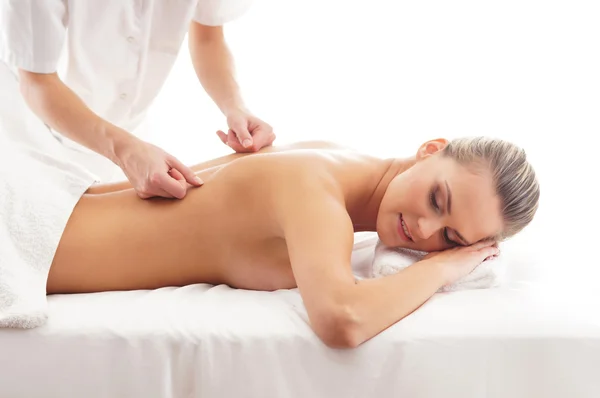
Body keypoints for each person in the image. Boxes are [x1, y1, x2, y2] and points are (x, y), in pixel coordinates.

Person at [46, 136, 540, 348]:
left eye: (452, 238)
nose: (428, 232)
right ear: (430, 150)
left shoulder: (334, 159)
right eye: (437, 198)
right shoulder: (318, 193)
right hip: (28, 238)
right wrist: (444, 267)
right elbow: (342, 320)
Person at [0, 0, 274, 199]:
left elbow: (208, 38)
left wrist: (234, 106)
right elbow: (37, 81)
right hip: (29, 134)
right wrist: (125, 150)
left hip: (129, 134)